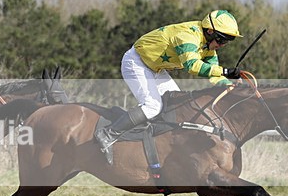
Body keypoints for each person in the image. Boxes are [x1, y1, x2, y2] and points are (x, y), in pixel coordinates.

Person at [94, 9, 243, 164]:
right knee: (153, 106)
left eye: (226, 42)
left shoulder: (207, 45)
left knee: (176, 106)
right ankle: (108, 134)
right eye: (221, 40)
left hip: (155, 68)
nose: (222, 45)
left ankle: (154, 143)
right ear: (210, 31)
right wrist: (226, 71)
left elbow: (214, 73)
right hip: (136, 63)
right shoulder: (188, 36)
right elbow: (192, 66)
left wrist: (229, 85)